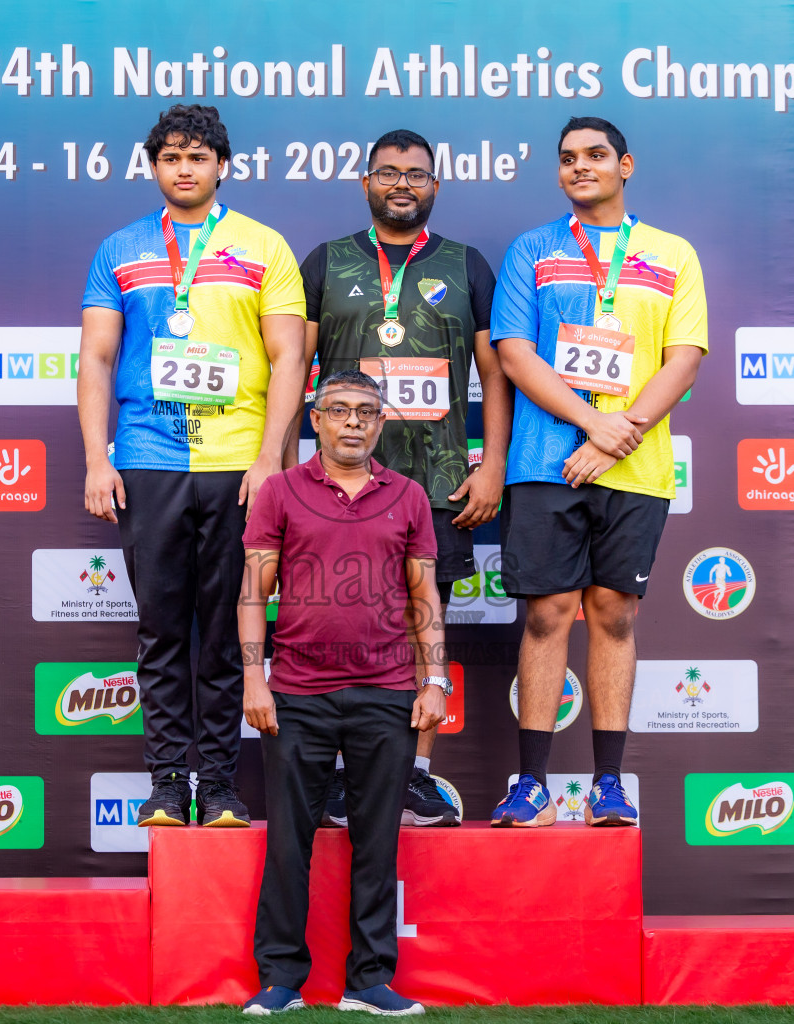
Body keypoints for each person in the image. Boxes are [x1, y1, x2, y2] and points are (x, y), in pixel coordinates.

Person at [78, 104, 306, 828]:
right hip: (147, 458)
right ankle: (168, 784)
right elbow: (97, 358)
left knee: (230, 628)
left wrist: (271, 457)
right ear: (154, 166)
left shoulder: (263, 246)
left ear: (221, 166)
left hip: (238, 462)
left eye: (198, 157)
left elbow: (288, 357)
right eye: (171, 157)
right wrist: (96, 458)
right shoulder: (120, 247)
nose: (185, 169)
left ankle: (221, 787)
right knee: (162, 630)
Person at [489, 116, 707, 827]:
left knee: (614, 614)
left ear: (626, 164)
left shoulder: (672, 253)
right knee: (549, 613)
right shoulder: (534, 250)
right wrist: (591, 425)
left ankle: (609, 785)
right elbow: (515, 354)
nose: (579, 167)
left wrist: (621, 435)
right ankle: (533, 787)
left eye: (594, 156)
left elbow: (684, 357)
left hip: (635, 466)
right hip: (545, 462)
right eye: (567, 159)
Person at [300, 128, 509, 829]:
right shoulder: (326, 264)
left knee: (425, 626)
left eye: (416, 174)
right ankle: (337, 778)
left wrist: (493, 467)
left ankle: (416, 776)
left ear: (435, 187)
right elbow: (286, 370)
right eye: (388, 172)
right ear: (365, 182)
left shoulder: (467, 264)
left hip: (439, 485)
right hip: (340, 484)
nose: (402, 184)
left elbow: (496, 378)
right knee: (337, 623)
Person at [238, 370, 448, 1016]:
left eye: (365, 412)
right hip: (297, 692)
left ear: (380, 424)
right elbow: (254, 592)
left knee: (378, 840)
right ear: (317, 419)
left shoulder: (408, 496)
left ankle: (370, 979)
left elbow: (424, 597)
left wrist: (433, 677)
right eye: (339, 410)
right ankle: (279, 979)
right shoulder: (278, 492)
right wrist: (253, 675)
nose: (353, 421)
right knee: (288, 842)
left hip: (386, 693)